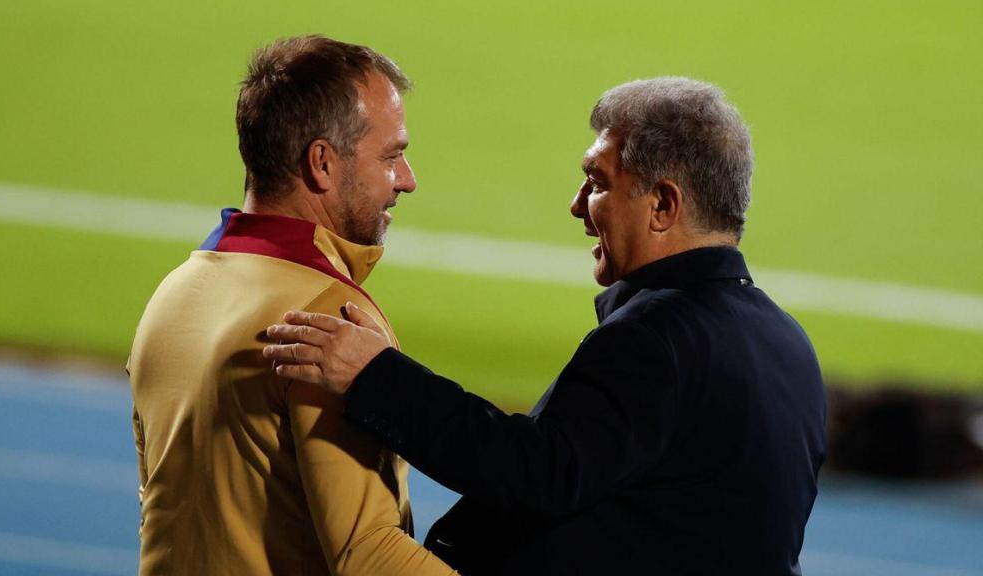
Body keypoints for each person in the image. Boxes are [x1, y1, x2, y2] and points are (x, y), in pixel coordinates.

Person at [263, 77, 828, 575]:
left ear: (663, 205)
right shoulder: (788, 343)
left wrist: (374, 375)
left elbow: (536, 471)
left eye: (598, 182)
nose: (578, 205)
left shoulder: (659, 337)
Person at [127, 36, 455, 575]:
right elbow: (368, 552)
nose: (407, 180)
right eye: (392, 156)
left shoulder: (173, 295)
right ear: (322, 164)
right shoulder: (330, 317)